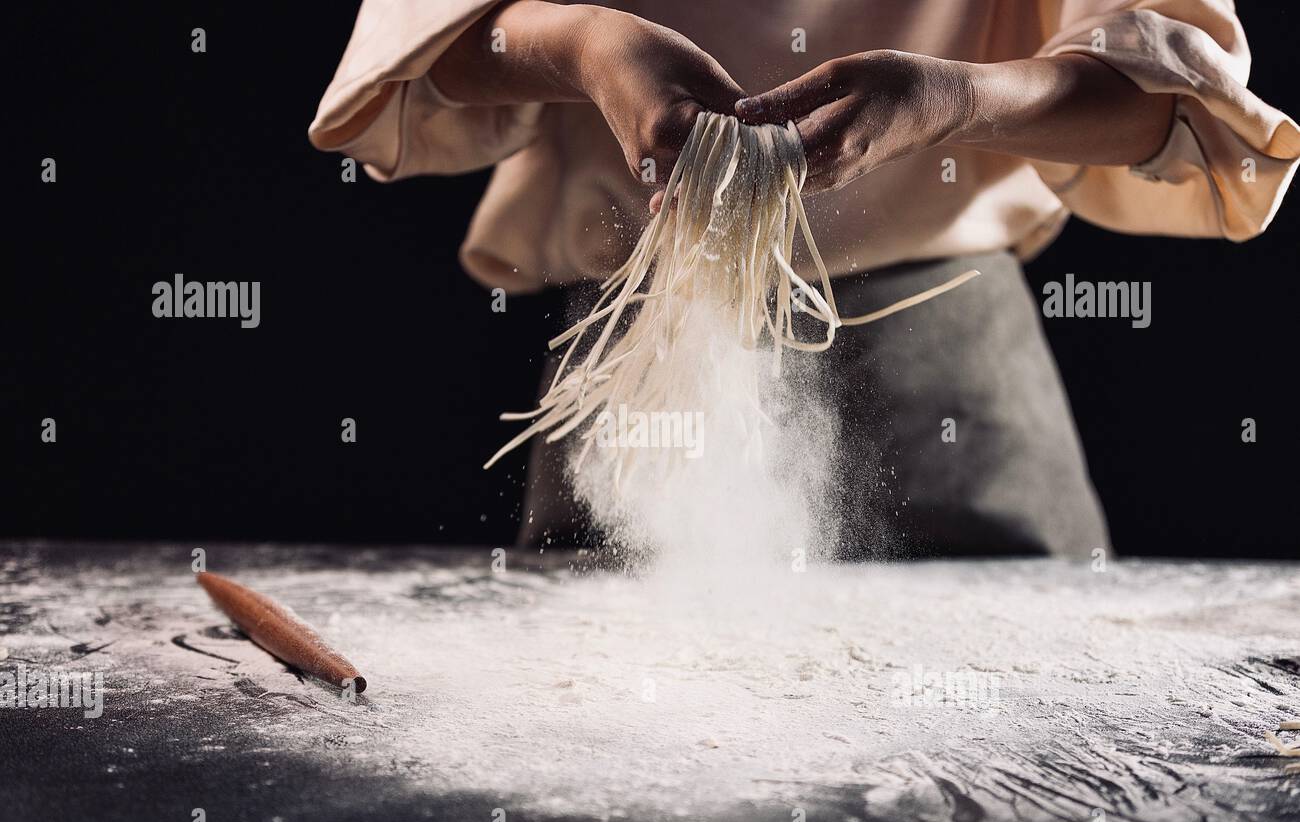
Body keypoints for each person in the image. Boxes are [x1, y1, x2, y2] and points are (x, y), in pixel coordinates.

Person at [310, 1, 1297, 557]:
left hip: (947, 359)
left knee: (1014, 777)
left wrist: (960, 98)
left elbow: (1174, 94)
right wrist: (583, 45)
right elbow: (425, 52)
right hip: (646, 345)